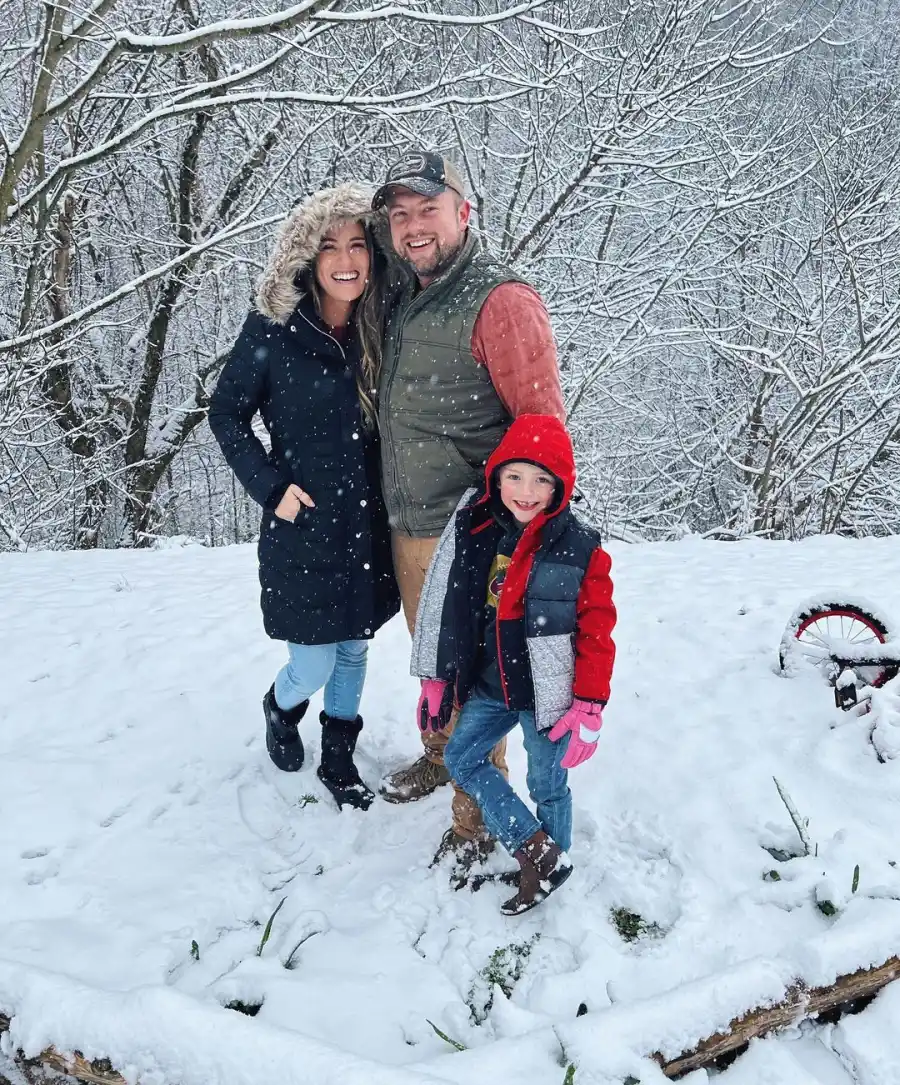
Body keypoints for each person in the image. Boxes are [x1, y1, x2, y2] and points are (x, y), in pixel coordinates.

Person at [372, 149, 566, 873]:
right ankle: (440, 756)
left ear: (463, 212)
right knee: (434, 665)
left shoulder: (500, 301)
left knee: (475, 678)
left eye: (428, 209)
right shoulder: (413, 289)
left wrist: (525, 542)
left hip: (471, 536)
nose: (413, 226)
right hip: (412, 521)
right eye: (400, 214)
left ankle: (476, 820)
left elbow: (541, 429)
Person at [208, 183, 399, 810]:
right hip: (305, 525)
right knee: (313, 662)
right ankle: (280, 706)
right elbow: (226, 414)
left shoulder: (382, 325)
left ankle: (339, 754)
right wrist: (271, 490)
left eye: (357, 245)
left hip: (368, 523)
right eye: (329, 247)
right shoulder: (274, 330)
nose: (346, 260)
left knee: (355, 648)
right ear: (307, 257)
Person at [411, 414, 616, 913]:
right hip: (488, 687)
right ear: (497, 477)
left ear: (559, 487)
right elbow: (446, 606)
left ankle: (548, 865)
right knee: (461, 758)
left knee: (547, 785)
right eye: (515, 476)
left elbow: (597, 631)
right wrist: (437, 676)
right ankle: (537, 851)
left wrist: (589, 703)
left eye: (542, 480)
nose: (526, 492)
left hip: (548, 696)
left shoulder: (581, 549)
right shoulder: (477, 529)